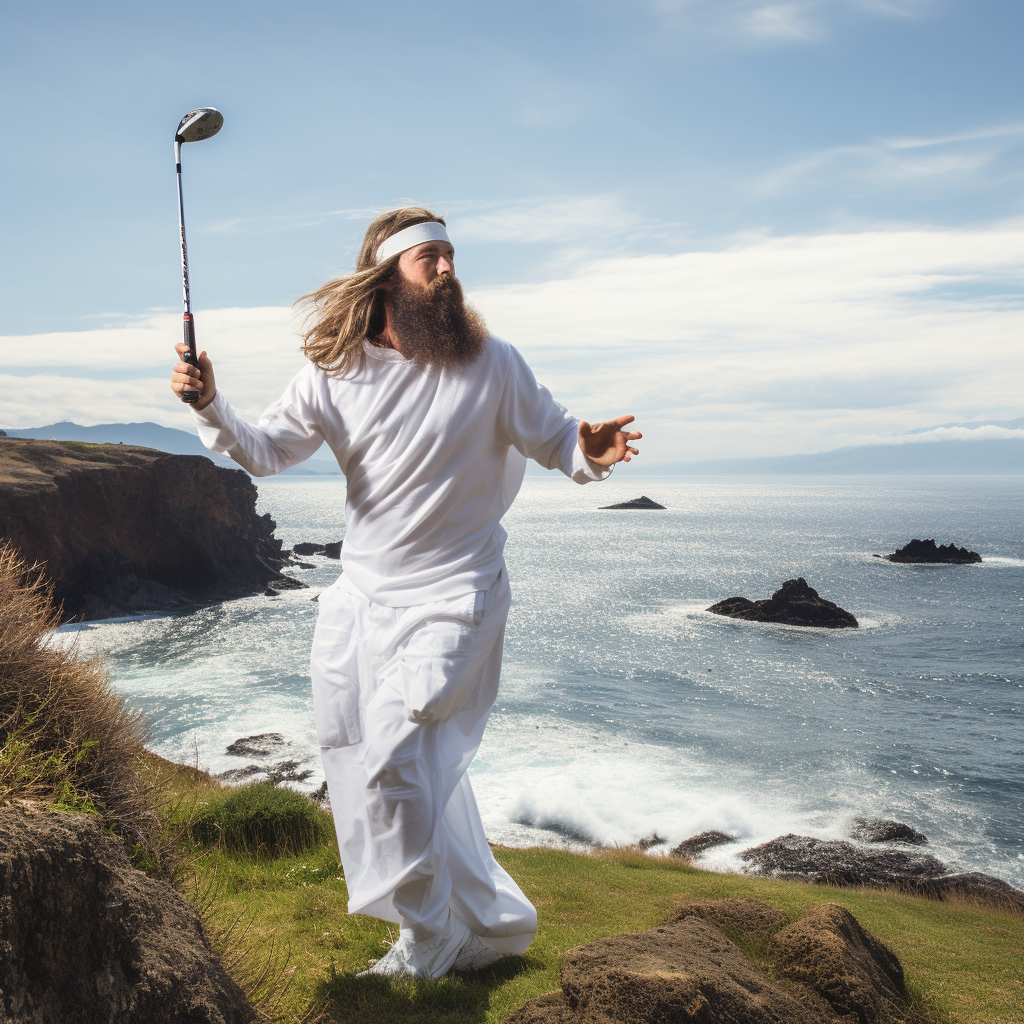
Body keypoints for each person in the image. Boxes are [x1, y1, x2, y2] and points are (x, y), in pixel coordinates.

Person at [169, 207, 641, 979]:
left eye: (453, 254)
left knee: (393, 757)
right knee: (367, 760)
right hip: (361, 603)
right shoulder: (335, 372)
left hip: (458, 595)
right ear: (390, 276)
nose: (449, 268)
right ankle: (465, 921)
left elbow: (557, 438)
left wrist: (588, 451)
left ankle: (429, 939)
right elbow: (262, 451)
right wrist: (209, 405)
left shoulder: (494, 363)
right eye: (432, 257)